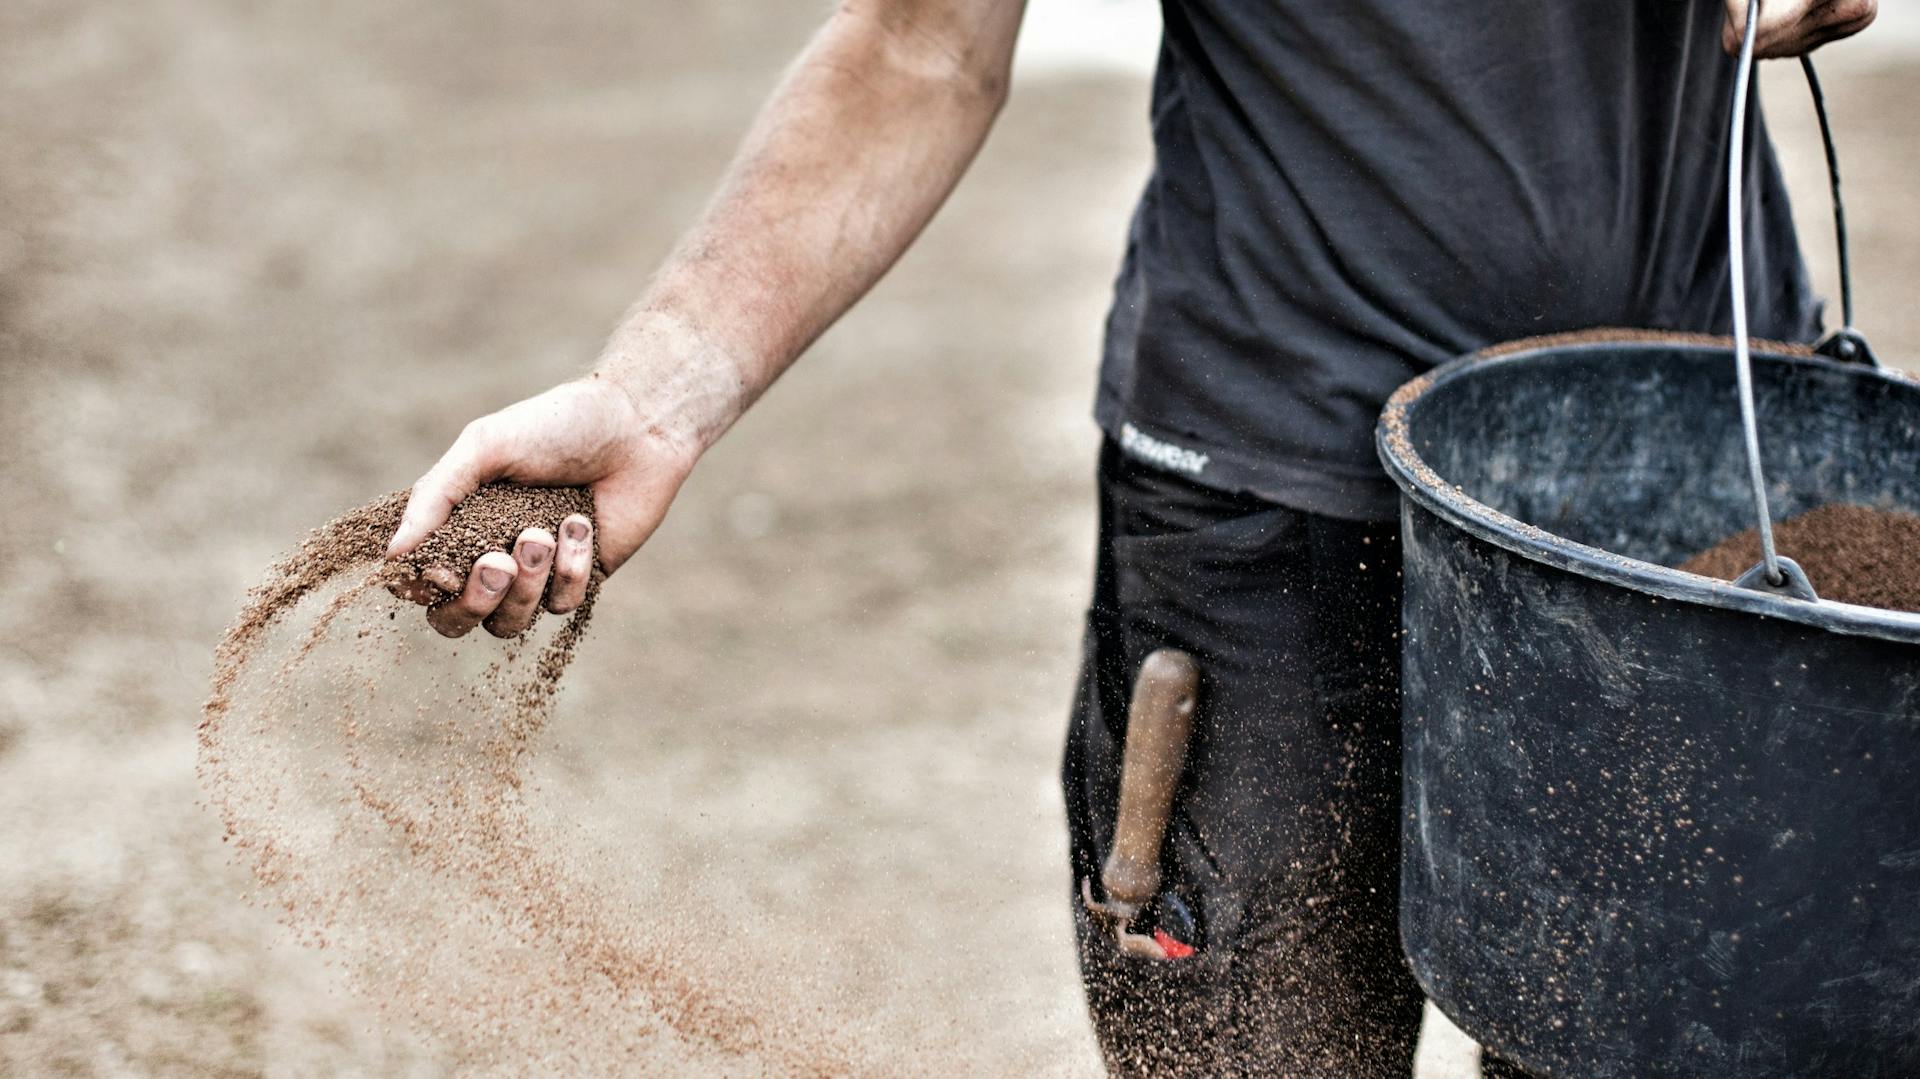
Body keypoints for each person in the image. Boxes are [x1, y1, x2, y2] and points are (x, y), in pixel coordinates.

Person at [381, 1, 1877, 1074]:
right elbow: (924, 41)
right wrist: (655, 395)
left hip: (1683, 495)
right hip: (1273, 492)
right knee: (1248, 1055)